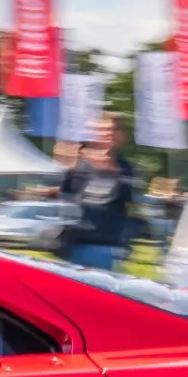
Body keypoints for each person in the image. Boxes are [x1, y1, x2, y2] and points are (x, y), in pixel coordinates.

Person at [55, 112, 138, 271]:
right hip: (74, 243)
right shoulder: (78, 165)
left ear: (119, 136)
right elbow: (64, 195)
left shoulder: (125, 167)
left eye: (108, 131)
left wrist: (107, 169)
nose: (103, 136)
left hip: (105, 245)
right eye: (99, 131)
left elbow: (126, 194)